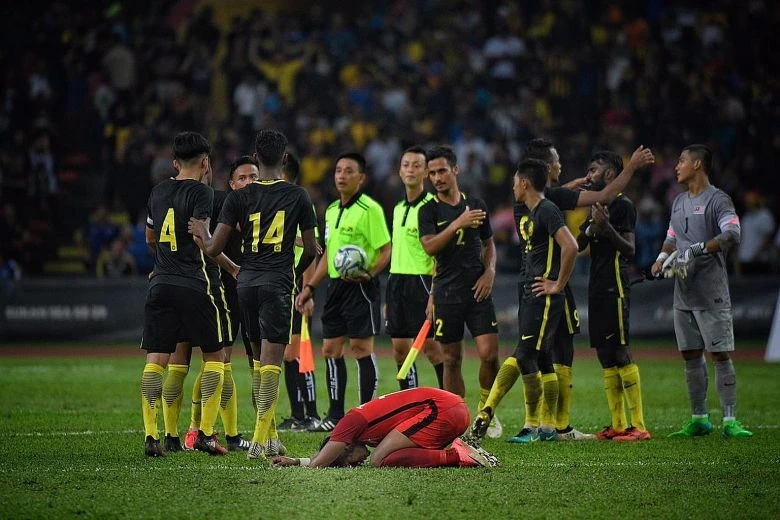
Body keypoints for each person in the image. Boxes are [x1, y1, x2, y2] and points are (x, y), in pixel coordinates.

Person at [472, 139, 654, 442]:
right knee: (542, 352)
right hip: (546, 284)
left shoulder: (535, 203)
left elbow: (562, 209)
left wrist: (570, 190)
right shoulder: (546, 203)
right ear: (546, 168)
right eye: (557, 162)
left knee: (547, 352)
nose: (561, 166)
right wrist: (632, 166)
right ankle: (541, 423)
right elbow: (600, 197)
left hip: (536, 285)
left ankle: (544, 425)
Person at [189, 129, 318, 459]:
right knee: (271, 366)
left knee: (258, 364)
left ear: (257, 159)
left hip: (245, 284)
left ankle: (271, 436)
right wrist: (294, 272)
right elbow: (311, 249)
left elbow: (213, 248)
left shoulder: (238, 198)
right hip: (277, 283)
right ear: (284, 159)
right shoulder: (298, 196)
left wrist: (202, 232)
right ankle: (259, 441)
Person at [140, 131, 233, 457]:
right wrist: (232, 266)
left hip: (160, 283)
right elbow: (202, 239)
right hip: (194, 284)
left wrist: (163, 262)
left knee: (156, 362)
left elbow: (150, 237)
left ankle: (152, 436)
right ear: (205, 162)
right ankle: (205, 433)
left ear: (175, 163)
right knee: (216, 358)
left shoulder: (157, 191)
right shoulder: (202, 192)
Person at [472, 158, 578, 442]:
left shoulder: (547, 210)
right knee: (543, 359)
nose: (512, 188)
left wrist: (557, 284)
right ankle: (546, 428)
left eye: (515, 183)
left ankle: (487, 412)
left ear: (524, 183)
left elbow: (571, 246)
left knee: (523, 353)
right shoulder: (530, 211)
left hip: (543, 296)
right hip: (532, 293)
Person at [651, 144, 752, 438]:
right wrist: (661, 258)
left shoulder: (718, 199)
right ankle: (700, 418)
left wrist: (698, 249)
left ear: (697, 165)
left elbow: (732, 233)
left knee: (719, 354)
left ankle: (730, 421)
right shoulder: (679, 201)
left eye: (681, 161)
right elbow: (672, 237)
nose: (676, 166)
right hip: (684, 292)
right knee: (691, 355)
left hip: (711, 291)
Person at [165, 156, 259, 454]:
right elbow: (197, 235)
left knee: (239, 363)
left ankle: (209, 432)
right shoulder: (218, 202)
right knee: (220, 361)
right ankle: (208, 431)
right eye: (242, 178)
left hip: (252, 292)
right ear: (231, 184)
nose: (249, 182)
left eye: (254, 177)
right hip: (223, 291)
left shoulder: (268, 206)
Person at [296, 152, 392, 432]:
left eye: (349, 171)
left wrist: (370, 273)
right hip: (335, 287)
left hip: (361, 287)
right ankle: (336, 415)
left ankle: (367, 415)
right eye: (338, 170)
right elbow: (329, 255)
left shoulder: (370, 209)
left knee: (361, 349)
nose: (342, 175)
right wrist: (310, 287)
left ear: (361, 178)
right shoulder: (332, 210)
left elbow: (386, 249)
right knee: (330, 349)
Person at [417, 146, 501, 437]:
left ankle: (486, 413)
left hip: (478, 289)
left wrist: (490, 272)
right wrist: (457, 223)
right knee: (451, 359)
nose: (437, 177)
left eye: (442, 170)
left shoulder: (475, 204)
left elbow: (489, 245)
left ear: (455, 169)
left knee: (489, 354)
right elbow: (430, 247)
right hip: (447, 292)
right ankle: (458, 418)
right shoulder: (428, 210)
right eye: (432, 173)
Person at [576, 151, 650, 441]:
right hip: (596, 286)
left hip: (615, 285)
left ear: (609, 174)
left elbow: (630, 251)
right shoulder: (597, 205)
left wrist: (606, 228)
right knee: (604, 354)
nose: (589, 175)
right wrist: (591, 226)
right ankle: (618, 424)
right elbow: (579, 243)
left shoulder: (623, 206)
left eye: (593, 170)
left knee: (620, 350)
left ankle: (639, 426)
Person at [270, 387, 498, 468]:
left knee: (378, 460)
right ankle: (461, 451)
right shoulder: (359, 433)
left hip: (442, 409)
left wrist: (302, 463)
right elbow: (325, 456)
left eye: (351, 462)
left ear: (345, 448)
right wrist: (296, 460)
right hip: (452, 409)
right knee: (390, 457)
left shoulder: (348, 424)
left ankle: (456, 455)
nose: (358, 462)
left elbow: (319, 463)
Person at [386, 146, 445, 390]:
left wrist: (434, 293)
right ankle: (411, 403)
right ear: (400, 171)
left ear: (426, 173)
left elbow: (441, 254)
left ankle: (448, 401)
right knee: (400, 350)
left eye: (417, 165)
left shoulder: (433, 206)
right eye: (406, 165)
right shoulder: (398, 207)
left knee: (432, 349)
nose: (410, 170)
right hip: (397, 282)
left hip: (422, 281)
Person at [277, 152, 321, 431]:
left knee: (298, 350)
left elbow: (311, 249)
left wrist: (307, 290)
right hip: (281, 283)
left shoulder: (299, 201)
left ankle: (311, 414)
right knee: (287, 353)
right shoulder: (277, 200)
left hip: (295, 284)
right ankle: (297, 414)